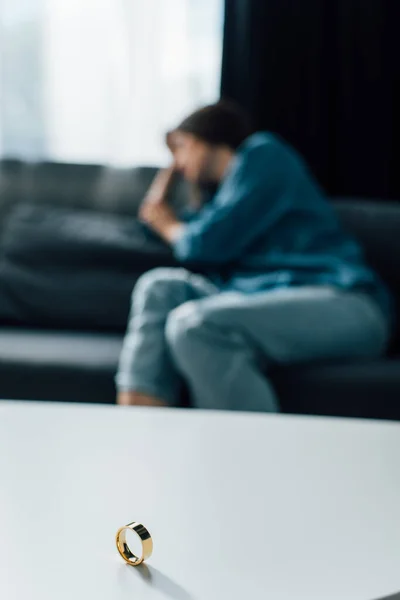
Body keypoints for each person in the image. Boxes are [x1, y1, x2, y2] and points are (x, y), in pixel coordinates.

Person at [116, 101, 392, 411]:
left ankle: (251, 459)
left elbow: (200, 244)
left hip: (343, 303)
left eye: (181, 147)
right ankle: (141, 431)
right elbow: (151, 222)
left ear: (206, 138)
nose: (178, 164)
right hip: (257, 298)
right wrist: (168, 191)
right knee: (159, 287)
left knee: (196, 326)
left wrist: (167, 221)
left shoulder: (263, 155)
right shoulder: (219, 204)